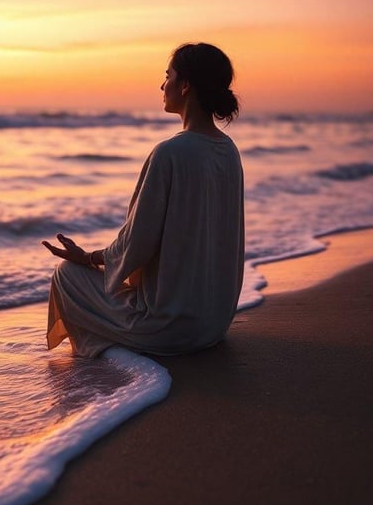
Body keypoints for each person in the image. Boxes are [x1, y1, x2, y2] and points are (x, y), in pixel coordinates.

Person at [42, 42, 244, 358]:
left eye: (168, 76)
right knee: (115, 283)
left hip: (171, 329)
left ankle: (106, 353)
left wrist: (88, 257)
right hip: (215, 323)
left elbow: (138, 243)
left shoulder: (170, 153)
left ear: (186, 85)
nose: (162, 85)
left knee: (67, 275)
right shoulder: (229, 150)